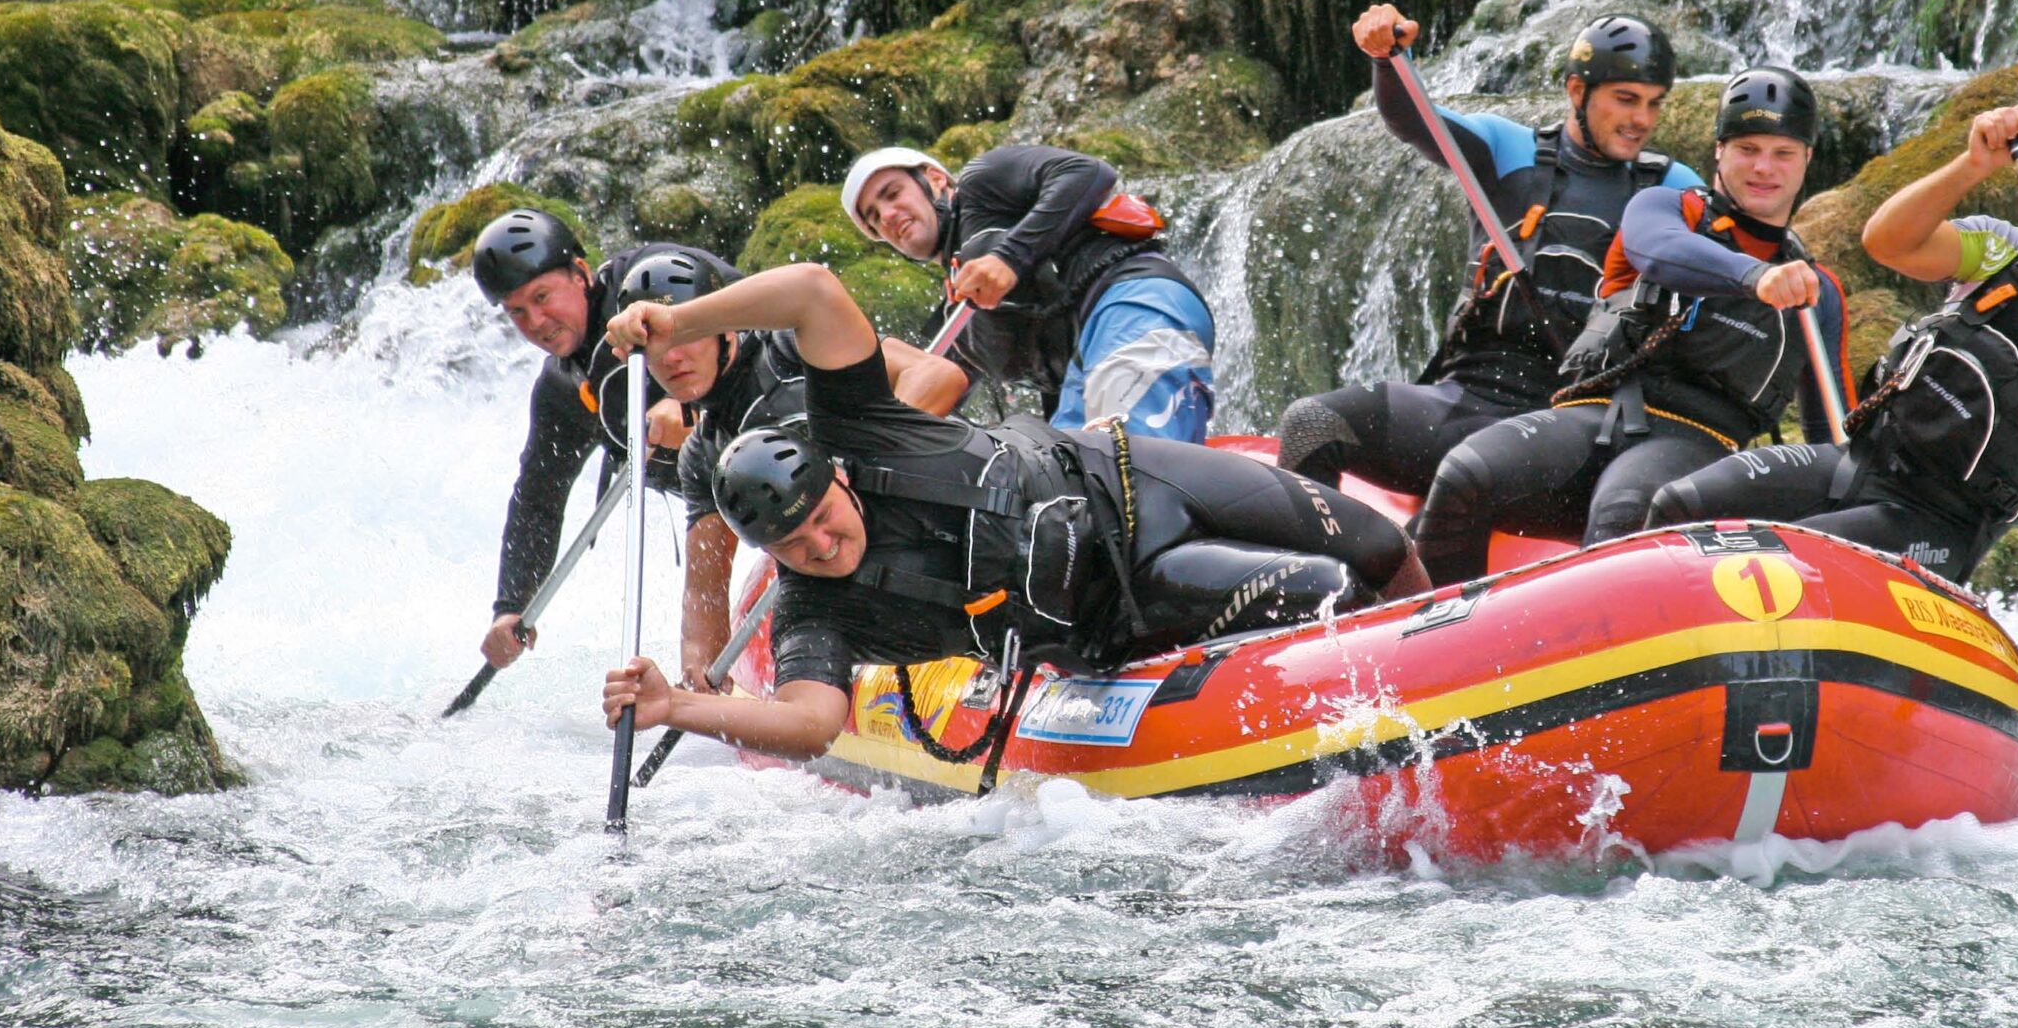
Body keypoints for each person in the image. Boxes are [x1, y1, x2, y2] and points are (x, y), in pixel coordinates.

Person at [597, 264, 1427, 760]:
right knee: (1329, 587)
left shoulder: (857, 423)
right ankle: (1409, 742)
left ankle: (1453, 643)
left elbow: (813, 292)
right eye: (797, 545)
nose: (824, 543)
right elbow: (811, 722)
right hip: (1122, 596)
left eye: (822, 514)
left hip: (1136, 478)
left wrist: (680, 319)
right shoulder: (815, 611)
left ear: (838, 477)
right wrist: (677, 706)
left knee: (1378, 540)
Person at [1645, 106, 2018, 583]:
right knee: (1679, 505)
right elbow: (1885, 241)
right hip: (1857, 462)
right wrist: (1972, 167)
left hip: (1937, 527)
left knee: (1772, 561)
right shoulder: (2001, 256)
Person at [1410, 67, 1848, 583]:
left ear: (1807, 160)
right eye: (1747, 149)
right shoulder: (1666, 207)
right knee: (1466, 472)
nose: (1763, 168)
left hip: (1695, 445)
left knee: (1626, 508)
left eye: (1783, 153)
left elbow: (1830, 441)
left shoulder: (1818, 293)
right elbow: (1658, 251)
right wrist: (1755, 277)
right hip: (1591, 416)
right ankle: (1435, 635)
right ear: (1719, 152)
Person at [1275, 4, 1706, 499]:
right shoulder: (1508, 149)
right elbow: (1415, 119)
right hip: (1471, 397)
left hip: (1577, 424)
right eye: (1627, 99)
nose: (1641, 119)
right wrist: (1388, 58)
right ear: (1576, 91)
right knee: (1312, 423)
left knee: (1470, 479)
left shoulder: (1675, 189)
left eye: (1655, 104)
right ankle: (1307, 572)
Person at [606, 248, 968, 690]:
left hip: (949, 516)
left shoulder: (794, 346)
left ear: (723, 327)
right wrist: (697, 681)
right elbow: (705, 590)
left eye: (685, 337)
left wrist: (857, 468)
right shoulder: (703, 455)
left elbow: (938, 376)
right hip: (865, 575)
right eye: (657, 352)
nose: (673, 359)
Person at [470, 212, 718, 674]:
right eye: (517, 311)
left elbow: (766, 332)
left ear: (581, 274)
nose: (536, 322)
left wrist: (693, 412)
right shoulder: (562, 391)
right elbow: (538, 502)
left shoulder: (652, 280)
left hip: (790, 450)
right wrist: (511, 605)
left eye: (542, 297)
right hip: (721, 500)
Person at [840, 142, 1216, 441]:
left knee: (1125, 468)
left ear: (935, 178)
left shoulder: (983, 182)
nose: (887, 215)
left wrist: (1010, 257)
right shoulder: (959, 317)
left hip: (1132, 300)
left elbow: (1089, 172)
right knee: (1071, 485)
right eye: (874, 217)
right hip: (1081, 365)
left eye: (892, 194)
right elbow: (935, 386)